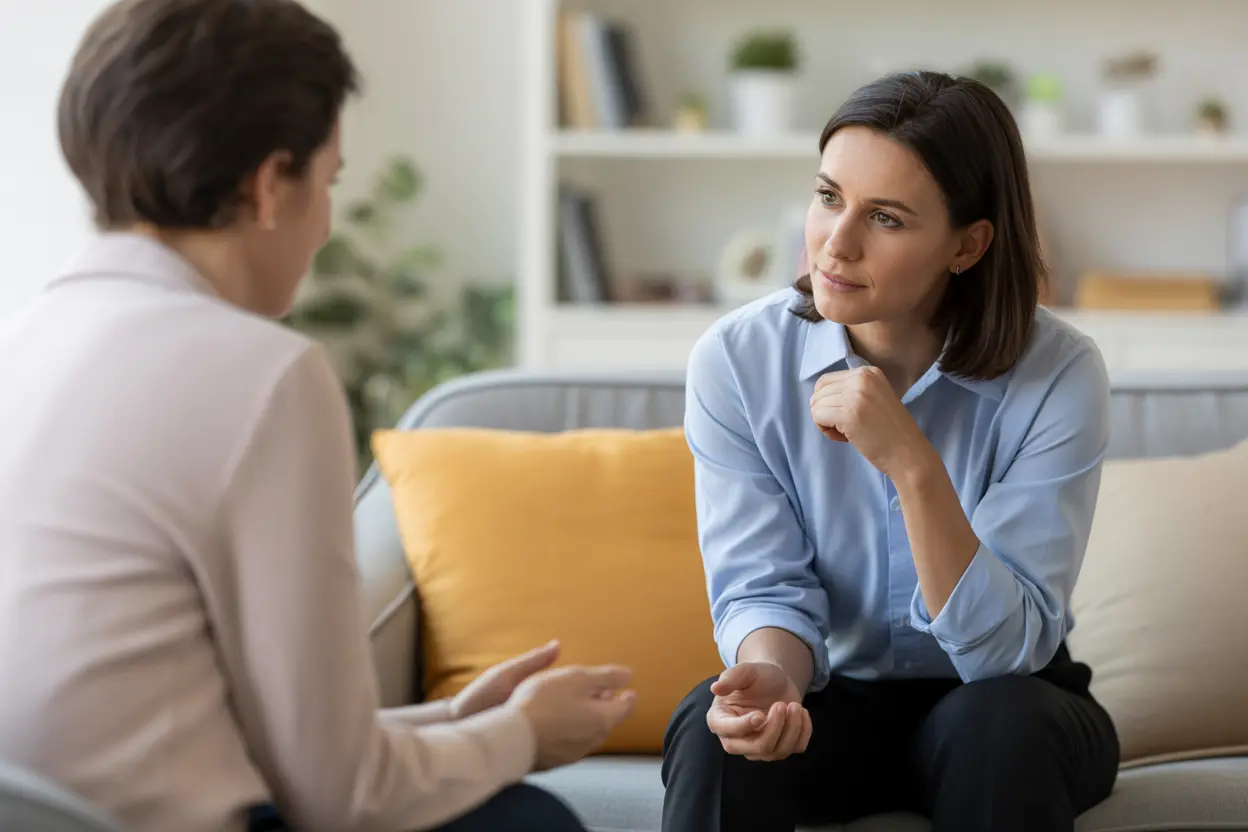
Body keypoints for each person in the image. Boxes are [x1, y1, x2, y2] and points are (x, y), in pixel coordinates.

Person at [0, 1, 636, 830]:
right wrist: (518, 735)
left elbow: (246, 733)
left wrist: (456, 720)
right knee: (527, 821)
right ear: (269, 185)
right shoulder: (263, 375)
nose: (327, 219)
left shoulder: (27, 336)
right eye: (328, 181)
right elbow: (342, 798)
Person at [661, 71, 1120, 832]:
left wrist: (912, 464)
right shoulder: (738, 361)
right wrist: (772, 684)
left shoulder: (1059, 373)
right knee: (717, 742)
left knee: (997, 726)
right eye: (828, 197)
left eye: (888, 218)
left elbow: (1003, 651)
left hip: (1011, 700)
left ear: (968, 245)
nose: (836, 243)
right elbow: (762, 585)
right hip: (832, 695)